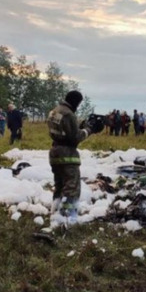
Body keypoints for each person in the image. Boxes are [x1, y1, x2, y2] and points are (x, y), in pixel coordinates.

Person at [47, 90, 94, 225]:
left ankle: (55, 211)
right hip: (67, 154)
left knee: (59, 184)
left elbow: (64, 131)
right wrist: (89, 130)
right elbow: (75, 138)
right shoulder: (68, 114)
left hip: (55, 151)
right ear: (76, 102)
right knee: (71, 186)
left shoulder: (54, 111)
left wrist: (79, 127)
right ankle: (67, 217)